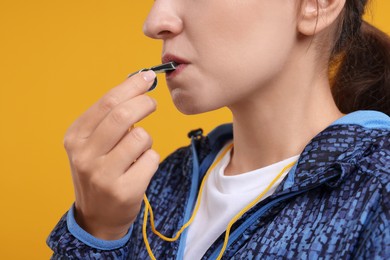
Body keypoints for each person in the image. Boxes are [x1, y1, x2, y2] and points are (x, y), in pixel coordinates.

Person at [47, 0, 390, 259]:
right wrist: (97, 232)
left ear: (317, 5)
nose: (154, 23)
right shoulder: (157, 185)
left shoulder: (380, 188)